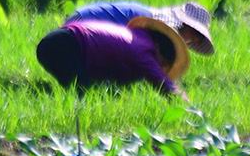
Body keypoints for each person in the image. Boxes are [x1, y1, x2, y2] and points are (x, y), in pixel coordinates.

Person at [35, 15, 189, 99]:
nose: (159, 67)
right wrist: (188, 107)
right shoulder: (144, 50)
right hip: (66, 46)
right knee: (83, 96)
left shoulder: (137, 37)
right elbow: (164, 85)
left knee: (89, 92)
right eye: (162, 63)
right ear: (159, 49)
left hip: (57, 41)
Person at [69, 0, 214, 57]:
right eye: (196, 34)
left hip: (80, 24)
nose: (194, 40)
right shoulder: (160, 28)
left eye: (199, 38)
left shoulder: (156, 21)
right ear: (184, 24)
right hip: (84, 26)